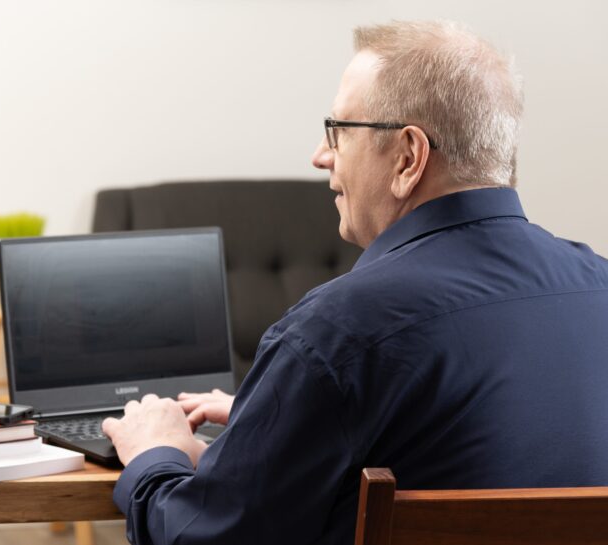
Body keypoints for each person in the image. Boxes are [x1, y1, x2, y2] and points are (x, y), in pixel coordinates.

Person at [102, 20, 608, 545]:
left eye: (338, 131)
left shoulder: (336, 332)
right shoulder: (600, 287)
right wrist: (278, 424)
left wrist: (155, 453)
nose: (321, 157)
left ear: (408, 158)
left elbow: (197, 538)